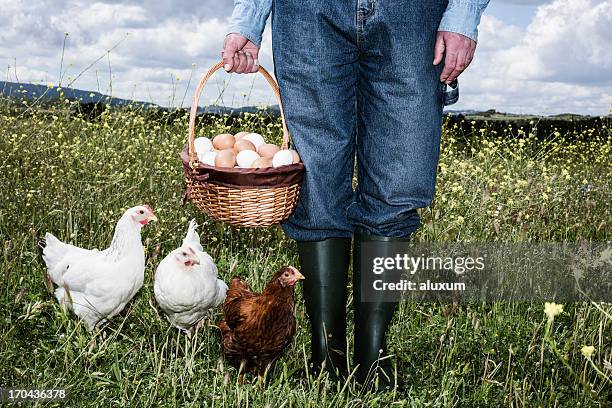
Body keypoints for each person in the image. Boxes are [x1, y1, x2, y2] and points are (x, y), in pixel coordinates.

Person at [222, 0, 489, 392]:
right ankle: (325, 361)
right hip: (307, 12)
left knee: (398, 182)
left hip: (412, 13)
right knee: (315, 186)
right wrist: (249, 16)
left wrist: (463, 13)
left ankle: (372, 363)